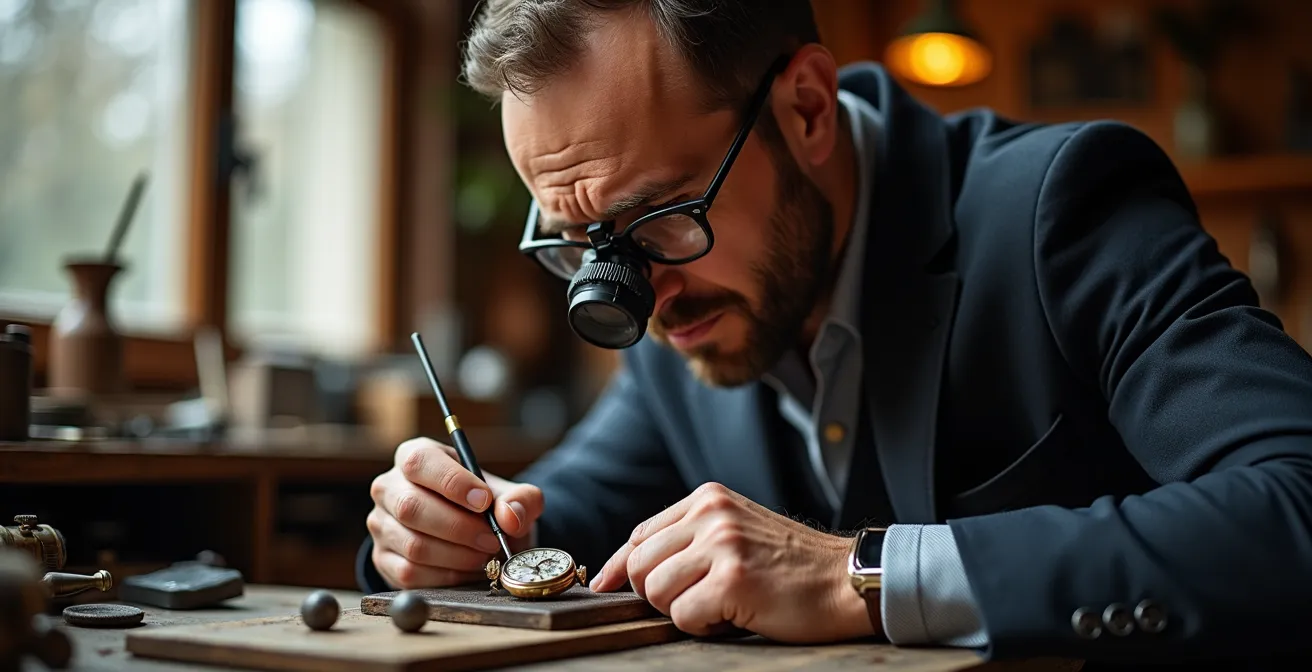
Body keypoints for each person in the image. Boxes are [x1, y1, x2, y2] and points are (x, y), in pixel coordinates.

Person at [357, 0, 1312, 666]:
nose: (637, 298)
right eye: (579, 243)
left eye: (655, 221)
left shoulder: (1059, 208)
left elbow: (1296, 505)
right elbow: (540, 530)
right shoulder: (685, 320)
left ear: (807, 108)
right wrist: (437, 534)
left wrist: (866, 574)